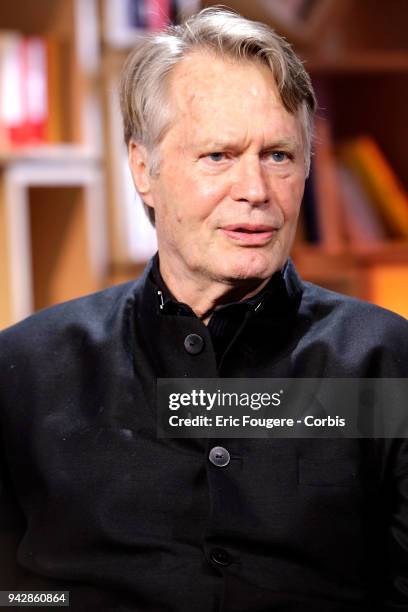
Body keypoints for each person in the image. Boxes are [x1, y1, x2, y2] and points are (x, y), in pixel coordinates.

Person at [0, 7, 407, 611]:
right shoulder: (26, 369)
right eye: (218, 155)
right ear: (144, 169)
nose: (255, 190)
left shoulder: (384, 361)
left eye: (278, 155)